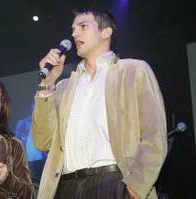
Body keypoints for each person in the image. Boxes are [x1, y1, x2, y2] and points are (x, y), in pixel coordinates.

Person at [31, 7, 167, 199]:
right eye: (73, 28)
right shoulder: (63, 87)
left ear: (106, 32)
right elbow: (43, 141)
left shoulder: (133, 71)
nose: (74, 33)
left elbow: (154, 135)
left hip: (115, 183)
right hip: (67, 187)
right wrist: (46, 84)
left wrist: (137, 185)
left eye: (83, 26)